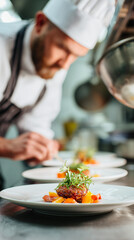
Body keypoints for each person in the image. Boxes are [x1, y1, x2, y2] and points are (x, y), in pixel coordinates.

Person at [0, 0, 115, 166]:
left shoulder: (55, 65)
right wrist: (8, 146)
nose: (65, 65)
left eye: (75, 56)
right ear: (40, 23)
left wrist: (43, 147)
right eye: (63, 48)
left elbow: (37, 125)